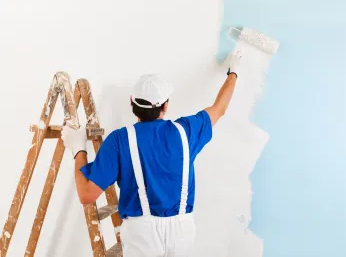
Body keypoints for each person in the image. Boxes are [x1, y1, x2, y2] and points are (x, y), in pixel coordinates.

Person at [60, 51, 242, 257]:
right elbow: (219, 109)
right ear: (165, 106)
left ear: (132, 103)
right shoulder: (186, 131)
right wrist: (233, 71)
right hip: (181, 231)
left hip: (141, 235)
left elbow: (87, 195)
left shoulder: (119, 141)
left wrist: (78, 148)